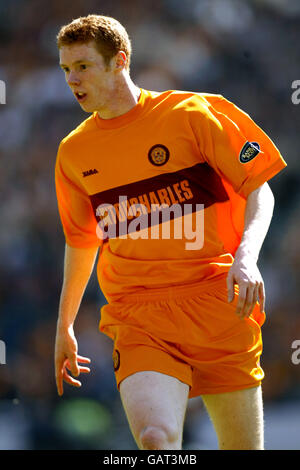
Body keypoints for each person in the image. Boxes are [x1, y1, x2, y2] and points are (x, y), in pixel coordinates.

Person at [54, 14, 287, 450]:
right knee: (156, 439)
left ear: (118, 61)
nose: (72, 79)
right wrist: (64, 324)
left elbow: (260, 190)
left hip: (217, 303)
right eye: (65, 69)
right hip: (139, 314)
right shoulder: (73, 152)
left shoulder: (191, 114)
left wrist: (247, 257)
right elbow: (81, 239)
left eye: (82, 66)